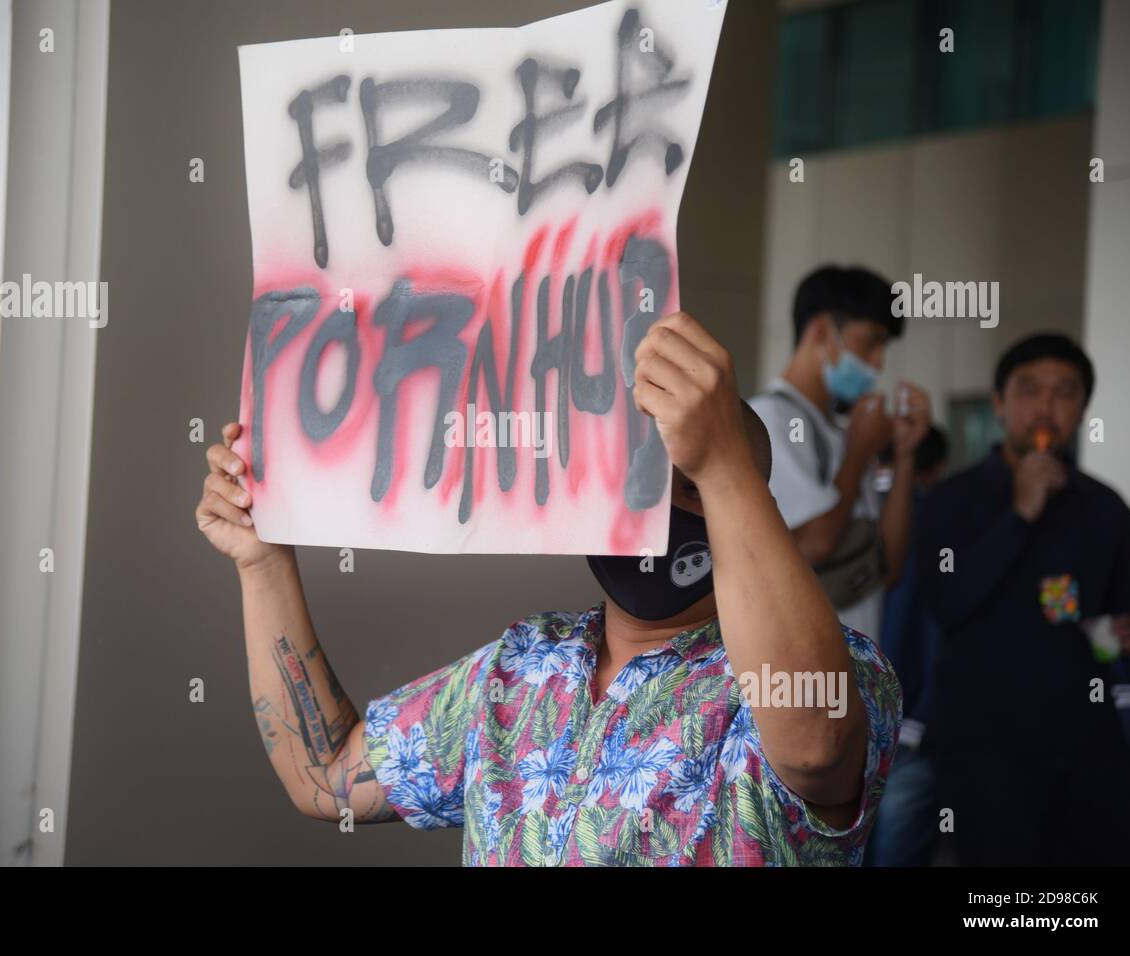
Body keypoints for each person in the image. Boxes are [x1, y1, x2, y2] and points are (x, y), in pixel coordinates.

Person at [196, 312, 901, 866]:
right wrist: (262, 566)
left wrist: (724, 464)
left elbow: (814, 745)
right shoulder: (519, 667)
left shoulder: (844, 671)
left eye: (689, 482)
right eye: (636, 475)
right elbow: (325, 775)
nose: (654, 502)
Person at [915, 333, 1130, 865]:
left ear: (1083, 408)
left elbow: (1116, 622)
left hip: (1085, 739)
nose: (1046, 406)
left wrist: (1127, 635)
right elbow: (946, 603)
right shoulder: (954, 501)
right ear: (999, 403)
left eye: (1065, 392)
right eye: (1029, 390)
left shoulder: (1104, 507)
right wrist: (1019, 515)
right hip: (984, 745)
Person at [749, 266, 929, 646]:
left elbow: (887, 568)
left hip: (859, 671)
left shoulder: (841, 433)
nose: (879, 362)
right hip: (800, 671)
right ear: (820, 331)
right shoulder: (770, 420)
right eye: (871, 342)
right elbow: (815, 545)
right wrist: (861, 451)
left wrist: (905, 455)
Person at [863, 426, 948, 867]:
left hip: (830, 713)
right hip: (908, 721)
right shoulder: (935, 519)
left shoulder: (843, 509)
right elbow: (938, 629)